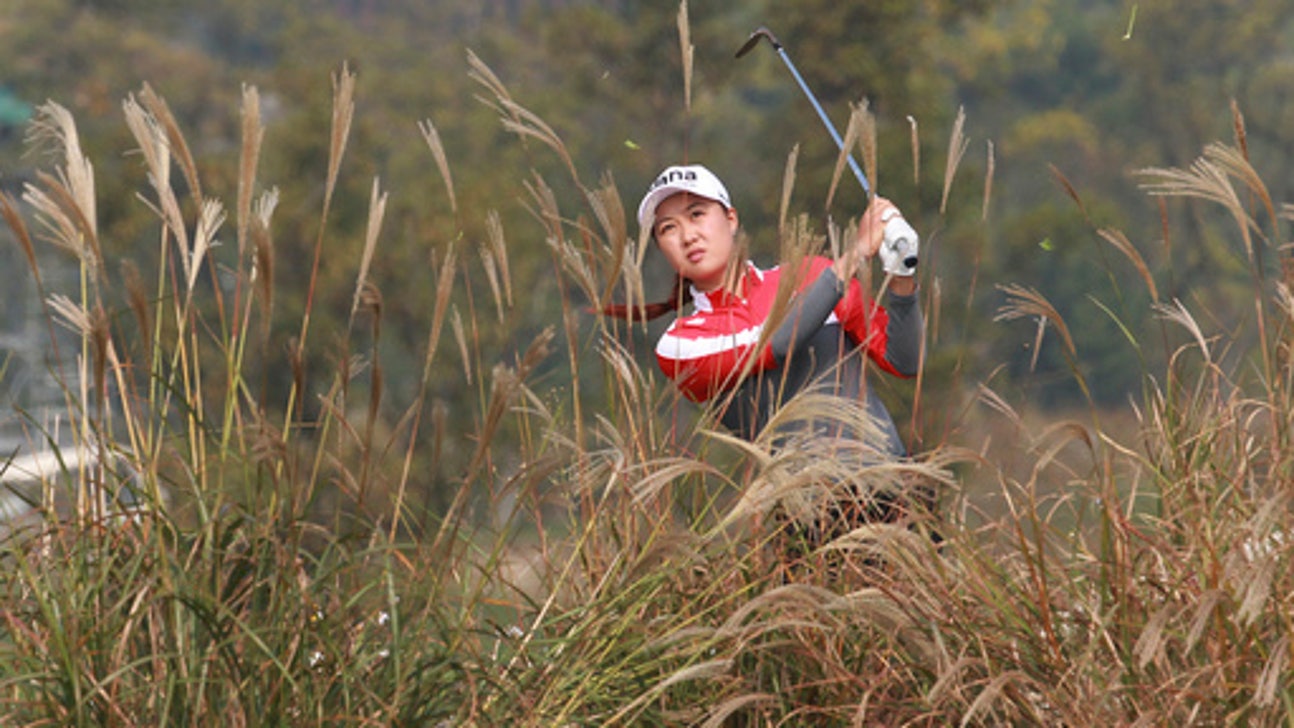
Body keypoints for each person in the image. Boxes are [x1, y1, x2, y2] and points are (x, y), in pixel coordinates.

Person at [606, 163, 930, 560]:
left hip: (895, 497)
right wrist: (855, 255)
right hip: (813, 522)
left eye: (696, 215)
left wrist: (902, 274)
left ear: (730, 219)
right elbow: (775, 345)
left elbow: (904, 359)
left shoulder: (814, 274)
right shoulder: (681, 344)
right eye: (667, 229)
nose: (687, 235)